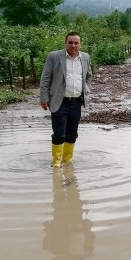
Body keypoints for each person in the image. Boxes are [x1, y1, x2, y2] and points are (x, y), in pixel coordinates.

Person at [39, 31, 92, 168]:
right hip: (59, 101)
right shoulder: (54, 56)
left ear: (80, 44)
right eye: (70, 42)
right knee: (59, 133)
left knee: (72, 133)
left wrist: (86, 90)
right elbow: (45, 78)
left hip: (76, 101)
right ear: (65, 43)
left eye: (76, 43)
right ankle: (56, 163)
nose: (73, 45)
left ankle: (68, 161)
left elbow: (88, 76)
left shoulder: (85, 57)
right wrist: (44, 98)